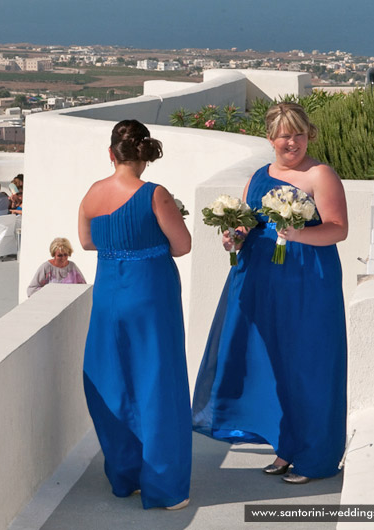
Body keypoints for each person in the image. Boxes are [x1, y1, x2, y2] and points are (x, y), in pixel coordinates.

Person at [192, 102, 348, 485]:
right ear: (270, 138)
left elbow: (338, 229)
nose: (290, 141)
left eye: (297, 133)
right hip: (259, 279)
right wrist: (234, 237)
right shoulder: (257, 177)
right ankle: (284, 447)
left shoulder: (320, 174)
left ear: (309, 134)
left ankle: (316, 457)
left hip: (306, 282)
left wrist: (297, 234)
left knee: (306, 365)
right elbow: (250, 224)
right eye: (283, 134)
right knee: (269, 364)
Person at [78, 119, 191, 510]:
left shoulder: (93, 193)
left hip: (110, 295)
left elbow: (87, 241)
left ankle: (126, 477)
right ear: (144, 156)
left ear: (111, 154)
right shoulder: (155, 195)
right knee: (157, 382)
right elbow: (182, 246)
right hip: (151, 297)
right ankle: (164, 487)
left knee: (115, 381)